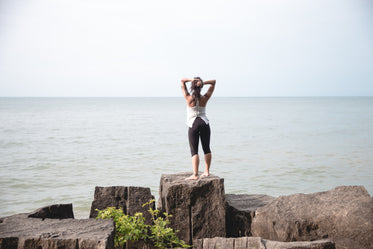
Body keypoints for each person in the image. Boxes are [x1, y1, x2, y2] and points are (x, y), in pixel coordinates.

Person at [181, 77, 216, 180]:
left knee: (194, 151)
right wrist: (201, 83)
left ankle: (195, 174)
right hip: (204, 122)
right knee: (206, 148)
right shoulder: (205, 97)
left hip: (193, 124)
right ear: (200, 87)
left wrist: (193, 80)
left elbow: (182, 81)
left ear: (192, 86)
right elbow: (213, 82)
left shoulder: (188, 97)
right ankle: (206, 171)